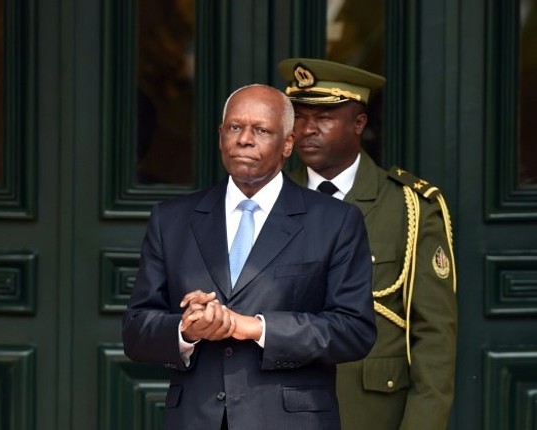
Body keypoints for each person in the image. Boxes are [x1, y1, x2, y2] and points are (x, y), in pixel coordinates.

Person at [122, 84, 377, 430]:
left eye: (261, 130)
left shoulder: (334, 221)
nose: (244, 139)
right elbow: (136, 331)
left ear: (288, 143)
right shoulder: (172, 220)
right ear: (220, 136)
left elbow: (354, 330)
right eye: (235, 127)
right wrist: (186, 329)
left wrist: (256, 327)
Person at [280, 58, 458, 430]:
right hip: (280, 408)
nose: (307, 129)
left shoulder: (409, 207)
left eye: (323, 118)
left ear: (359, 124)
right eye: (299, 117)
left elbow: (433, 335)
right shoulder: (270, 201)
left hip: (371, 412)